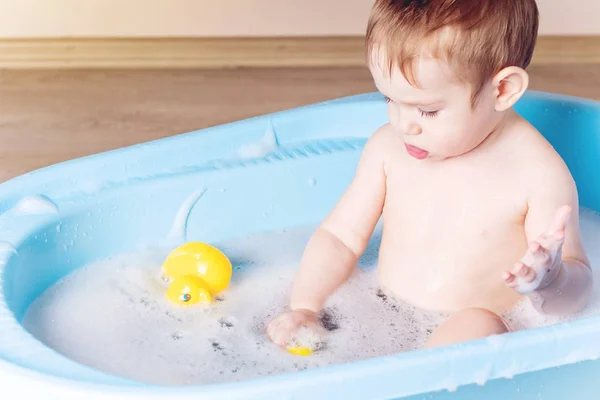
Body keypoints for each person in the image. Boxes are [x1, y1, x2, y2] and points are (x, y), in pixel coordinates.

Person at [267, 0, 593, 350]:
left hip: (467, 332)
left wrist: (551, 280)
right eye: (389, 100)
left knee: (478, 323)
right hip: (376, 313)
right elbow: (340, 237)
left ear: (502, 90)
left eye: (427, 110)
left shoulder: (537, 175)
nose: (403, 124)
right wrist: (305, 307)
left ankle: (418, 378)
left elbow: (575, 295)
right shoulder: (388, 149)